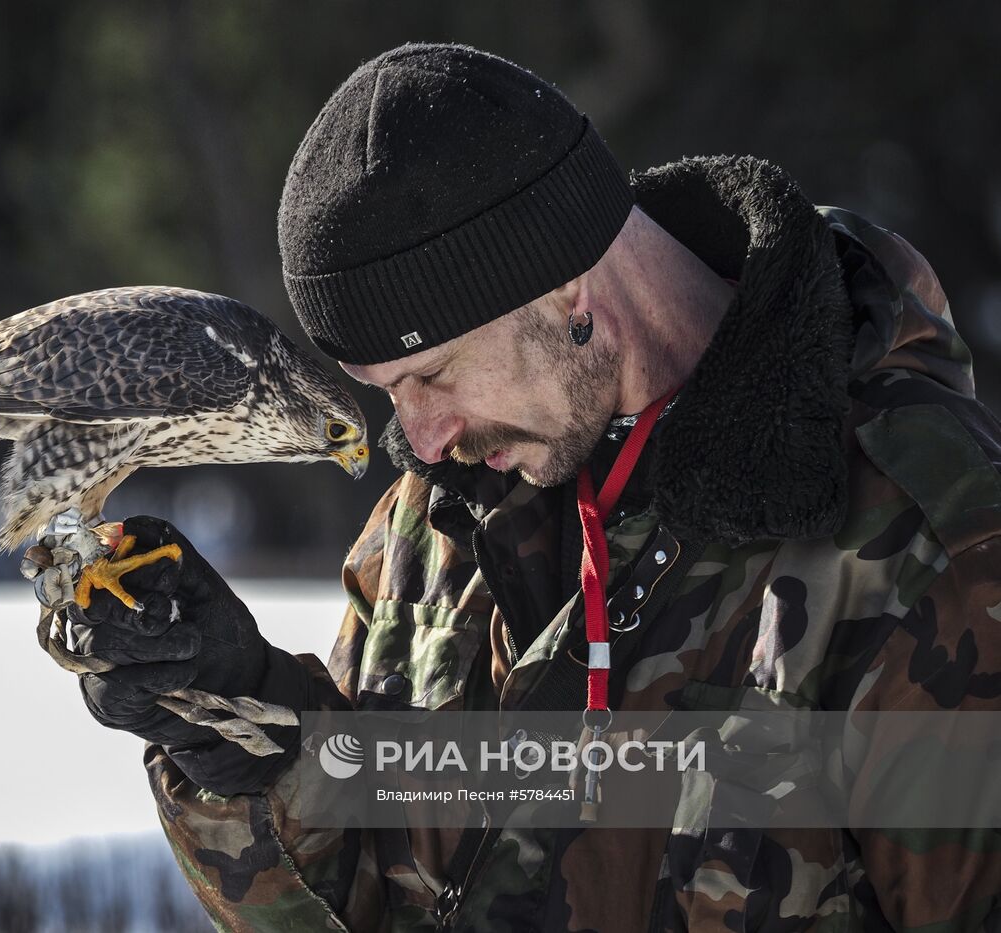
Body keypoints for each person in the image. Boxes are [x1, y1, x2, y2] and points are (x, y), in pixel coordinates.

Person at [56, 43, 1001, 930]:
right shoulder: (441, 522)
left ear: (568, 293)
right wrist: (241, 727)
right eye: (386, 393)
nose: (417, 437)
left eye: (433, 373)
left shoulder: (923, 545)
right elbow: (369, 892)